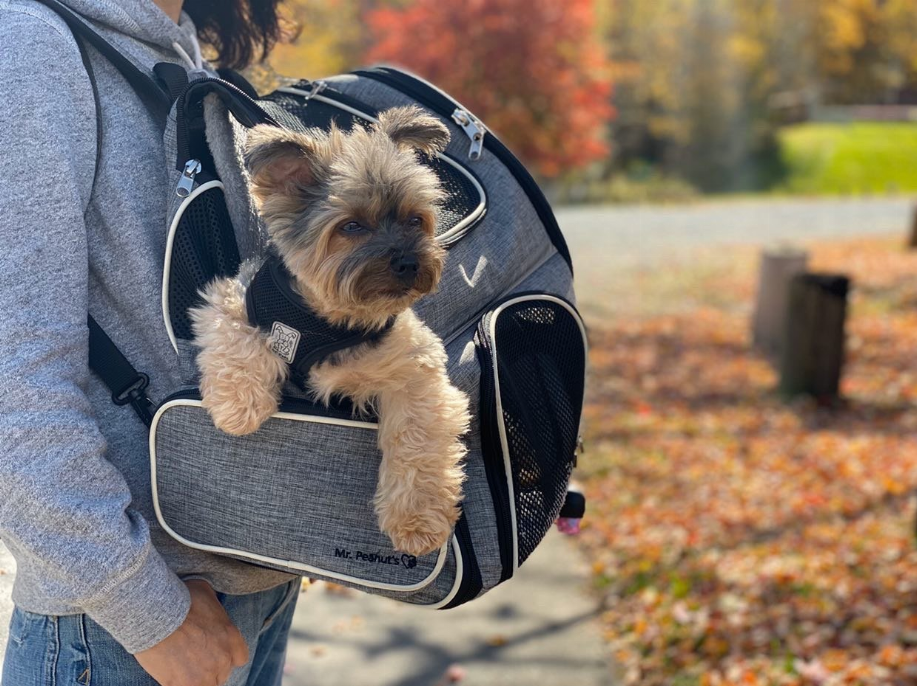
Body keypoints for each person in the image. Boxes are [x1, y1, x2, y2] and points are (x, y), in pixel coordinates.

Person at [0, 1, 303, 684]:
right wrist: (144, 609)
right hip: (127, 629)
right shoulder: (27, 45)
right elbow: (10, 377)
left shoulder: (185, 53)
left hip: (255, 591)